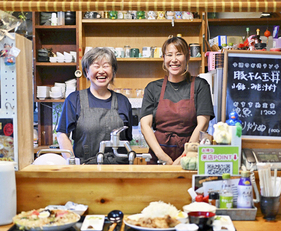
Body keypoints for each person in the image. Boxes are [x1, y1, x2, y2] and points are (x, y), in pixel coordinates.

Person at [140, 37, 214, 165]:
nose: (174, 60)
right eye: (169, 55)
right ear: (163, 58)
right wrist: (162, 157)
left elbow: (203, 124)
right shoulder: (152, 88)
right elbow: (145, 125)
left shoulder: (200, 85)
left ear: (187, 57)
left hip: (191, 156)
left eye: (179, 54)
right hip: (158, 157)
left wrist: (184, 157)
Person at [56, 47, 133, 164]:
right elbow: (62, 134)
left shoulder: (123, 101)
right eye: (96, 66)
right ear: (87, 71)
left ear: (113, 71)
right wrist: (71, 162)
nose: (101, 71)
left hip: (118, 170)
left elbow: (127, 139)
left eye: (106, 66)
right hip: (85, 168)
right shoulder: (74, 99)